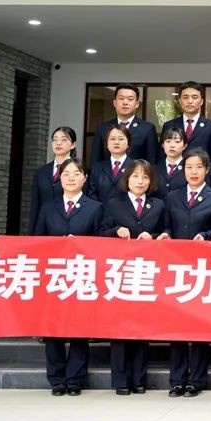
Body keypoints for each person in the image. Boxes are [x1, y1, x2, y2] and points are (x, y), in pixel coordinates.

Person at [158, 148, 211, 398]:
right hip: (177, 269)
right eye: (189, 167)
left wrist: (206, 235)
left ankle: (196, 380)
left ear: (207, 170)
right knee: (177, 326)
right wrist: (165, 235)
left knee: (198, 327)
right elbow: (167, 226)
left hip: (203, 270)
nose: (193, 172)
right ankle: (177, 380)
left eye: (198, 167)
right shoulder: (173, 197)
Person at [34, 158, 103, 396]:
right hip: (54, 275)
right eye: (66, 174)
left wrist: (80, 244)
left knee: (78, 328)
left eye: (76, 173)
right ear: (59, 179)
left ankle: (75, 378)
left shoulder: (95, 207)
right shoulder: (48, 208)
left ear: (85, 178)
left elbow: (102, 244)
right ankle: (56, 378)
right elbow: (38, 240)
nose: (71, 178)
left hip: (82, 275)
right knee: (52, 327)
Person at [98, 160, 165, 396]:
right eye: (135, 176)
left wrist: (154, 235)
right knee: (120, 329)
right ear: (127, 179)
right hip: (120, 273)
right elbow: (101, 232)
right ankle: (121, 380)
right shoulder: (113, 204)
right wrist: (116, 231)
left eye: (145, 177)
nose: (140, 181)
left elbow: (166, 231)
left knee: (141, 328)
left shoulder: (158, 205)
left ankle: (138, 379)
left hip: (147, 274)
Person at [89, 83, 157, 166]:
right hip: (107, 174)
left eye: (130, 99)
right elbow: (95, 160)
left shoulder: (147, 129)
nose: (125, 102)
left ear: (137, 104)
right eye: (121, 98)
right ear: (114, 103)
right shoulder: (102, 128)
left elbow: (151, 162)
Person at [28, 126, 76, 235]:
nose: (58, 143)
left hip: (68, 230)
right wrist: (31, 234)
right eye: (55, 140)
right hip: (42, 229)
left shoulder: (79, 171)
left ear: (73, 144)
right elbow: (35, 206)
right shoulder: (41, 172)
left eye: (64, 139)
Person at [161, 81, 211, 164]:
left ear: (201, 102)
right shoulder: (169, 125)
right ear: (180, 101)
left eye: (194, 97)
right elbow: (162, 155)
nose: (190, 101)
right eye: (185, 97)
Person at [86, 125, 132, 204]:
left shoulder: (135, 167)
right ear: (107, 143)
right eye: (112, 139)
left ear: (128, 143)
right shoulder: (97, 168)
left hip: (127, 211)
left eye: (121, 139)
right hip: (101, 210)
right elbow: (92, 194)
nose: (116, 142)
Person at [152, 126, 188, 200]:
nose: (172, 145)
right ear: (163, 145)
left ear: (184, 146)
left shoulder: (189, 168)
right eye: (168, 141)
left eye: (177, 141)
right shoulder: (153, 169)